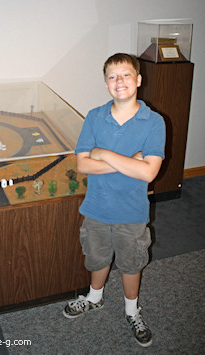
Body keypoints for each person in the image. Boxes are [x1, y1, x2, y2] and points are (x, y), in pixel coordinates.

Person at [63, 53, 165, 348]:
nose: (120, 81)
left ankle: (132, 310)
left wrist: (104, 153)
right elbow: (82, 164)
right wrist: (128, 161)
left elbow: (148, 173)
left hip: (131, 212)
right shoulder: (95, 116)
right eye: (112, 76)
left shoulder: (154, 122)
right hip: (96, 208)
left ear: (138, 80)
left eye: (126, 75)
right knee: (97, 257)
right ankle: (94, 298)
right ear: (106, 83)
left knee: (131, 263)